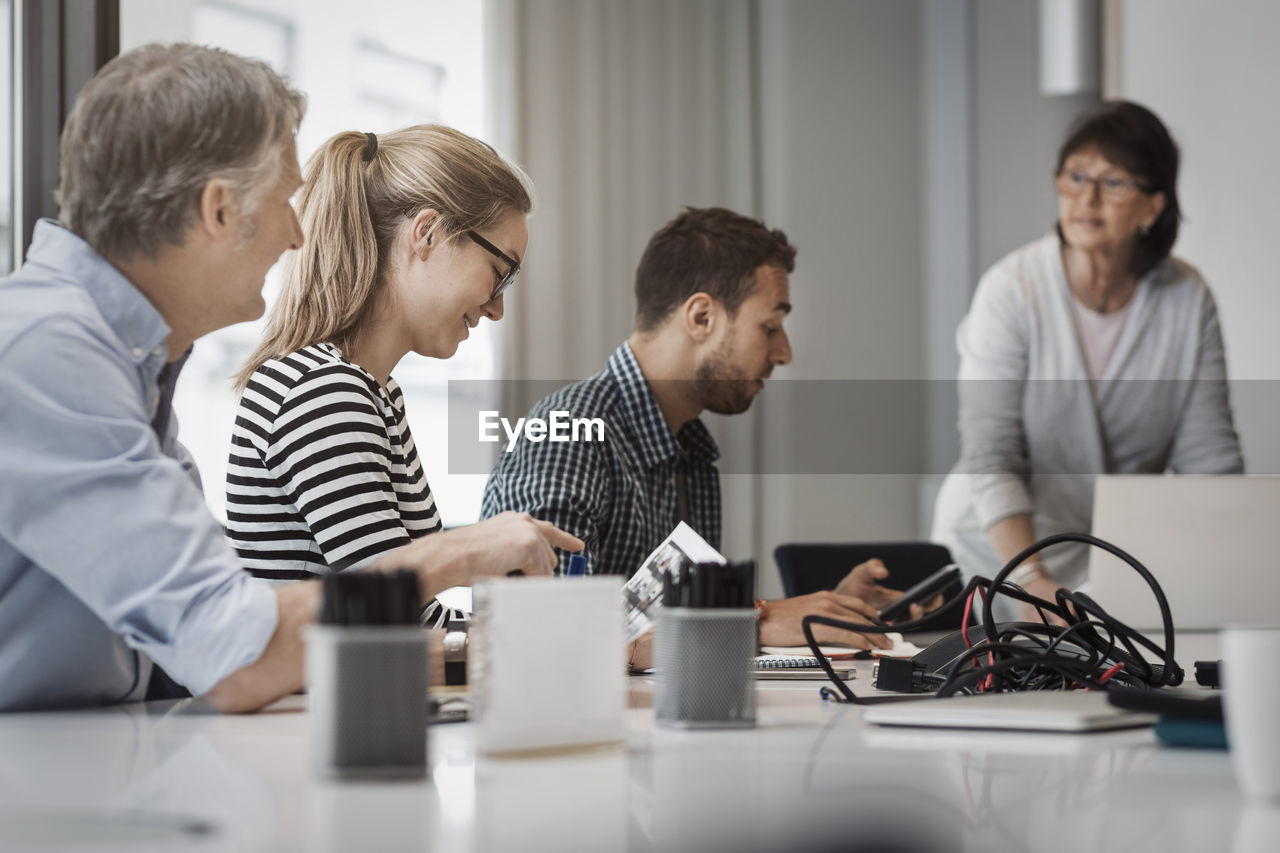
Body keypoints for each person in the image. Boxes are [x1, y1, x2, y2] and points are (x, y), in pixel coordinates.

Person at [0, 44, 578, 713]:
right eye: (283, 200)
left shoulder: (116, 360)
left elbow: (214, 616)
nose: (300, 234)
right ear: (219, 210)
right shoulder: (50, 357)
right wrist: (459, 553)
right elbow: (234, 650)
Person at [481, 207, 927, 667]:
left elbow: (655, 620)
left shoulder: (689, 451)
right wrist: (754, 618)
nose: (785, 353)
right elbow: (535, 632)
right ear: (700, 317)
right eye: (770, 327)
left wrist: (829, 612)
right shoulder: (567, 432)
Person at [931, 100, 1243, 622]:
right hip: (993, 556)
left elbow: (1209, 465)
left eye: (1114, 182)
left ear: (1153, 205)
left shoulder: (1187, 298)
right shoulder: (1012, 289)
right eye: (1076, 176)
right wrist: (1030, 582)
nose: (1087, 198)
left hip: (1107, 572)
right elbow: (992, 456)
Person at [225, 124, 548, 626]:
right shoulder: (325, 393)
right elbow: (402, 632)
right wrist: (571, 641)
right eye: (500, 271)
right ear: (428, 233)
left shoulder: (370, 390)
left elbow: (413, 622)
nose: (498, 307)